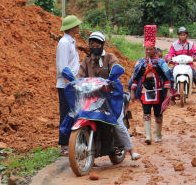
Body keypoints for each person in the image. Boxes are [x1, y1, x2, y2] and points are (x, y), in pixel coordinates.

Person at [78, 31, 139, 161]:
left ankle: (132, 151)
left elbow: (116, 68)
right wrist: (76, 82)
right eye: (92, 45)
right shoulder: (87, 60)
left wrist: (111, 78)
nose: (94, 47)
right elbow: (80, 76)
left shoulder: (110, 57)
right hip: (92, 98)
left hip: (110, 98)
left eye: (97, 44)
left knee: (117, 123)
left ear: (102, 45)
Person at [129, 36, 172, 145]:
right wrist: (133, 92)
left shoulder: (161, 63)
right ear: (144, 49)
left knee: (158, 113)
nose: (148, 51)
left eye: (151, 49)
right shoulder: (140, 63)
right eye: (146, 49)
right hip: (145, 92)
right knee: (146, 113)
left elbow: (167, 77)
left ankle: (158, 136)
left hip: (158, 92)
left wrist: (168, 91)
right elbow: (135, 78)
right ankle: (148, 136)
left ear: (155, 49)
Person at [55, 15, 81, 156]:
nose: (79, 27)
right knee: (66, 113)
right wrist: (69, 85)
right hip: (67, 84)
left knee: (73, 112)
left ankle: (70, 142)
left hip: (72, 82)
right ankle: (63, 144)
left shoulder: (71, 42)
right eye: (77, 25)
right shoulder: (64, 43)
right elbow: (63, 67)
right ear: (71, 27)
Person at [166, 27, 196, 105]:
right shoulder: (174, 45)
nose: (183, 36)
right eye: (181, 35)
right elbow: (170, 53)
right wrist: (170, 57)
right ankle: (168, 96)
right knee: (168, 77)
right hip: (177, 65)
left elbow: (195, 52)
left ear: (186, 35)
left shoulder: (191, 44)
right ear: (178, 35)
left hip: (189, 65)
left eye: (184, 34)